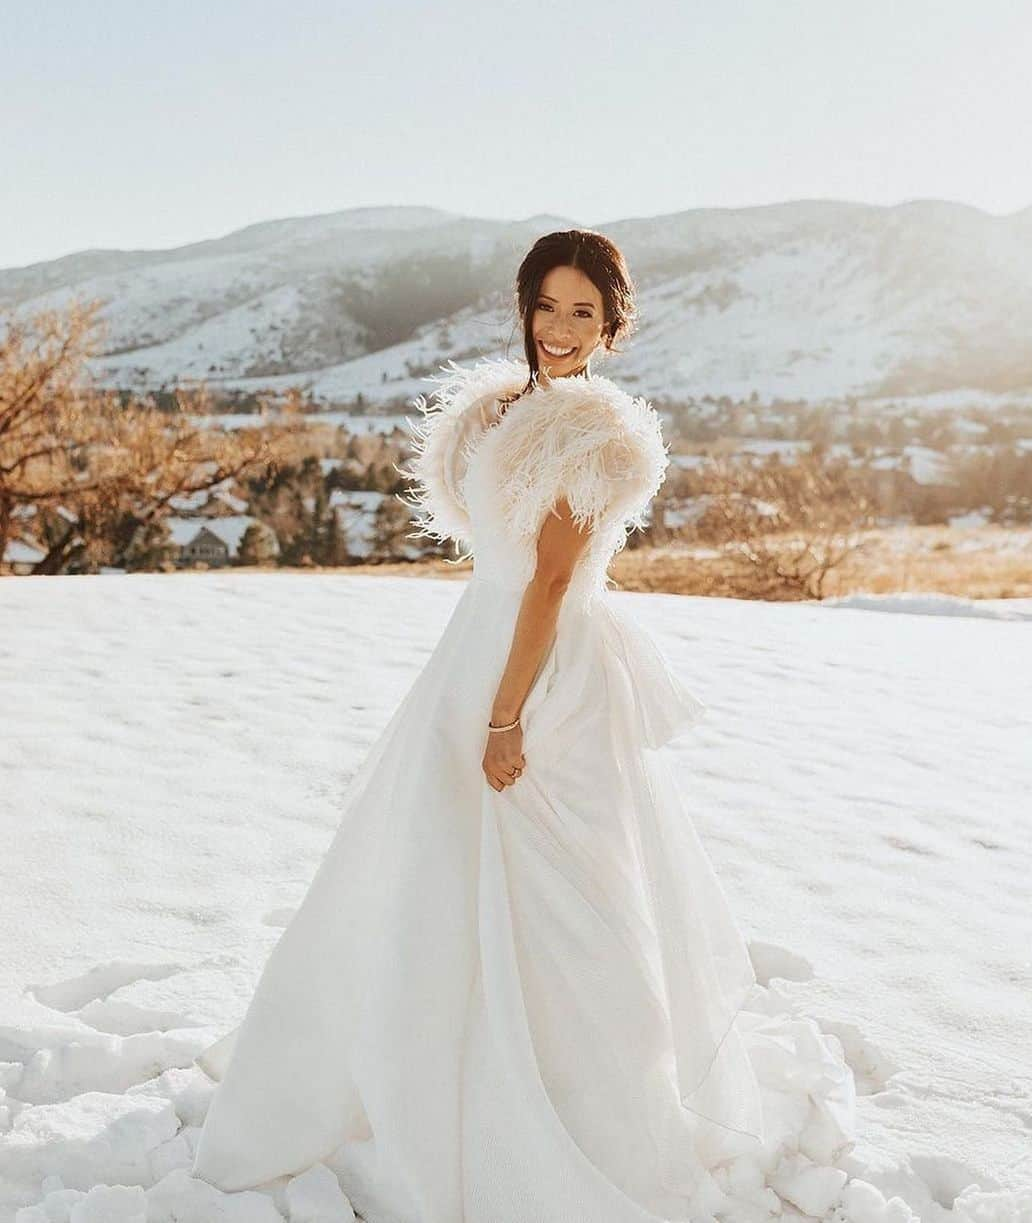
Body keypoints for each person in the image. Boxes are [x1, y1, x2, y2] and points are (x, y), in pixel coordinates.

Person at [190, 229, 857, 1221]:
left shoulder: (596, 433)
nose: (558, 328)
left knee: (556, 885)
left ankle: (563, 1100)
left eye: (583, 311)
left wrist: (506, 717)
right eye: (546, 306)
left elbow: (550, 580)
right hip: (475, 646)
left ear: (612, 325)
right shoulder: (503, 412)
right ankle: (413, 1055)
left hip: (539, 673)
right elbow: (498, 551)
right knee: (432, 861)